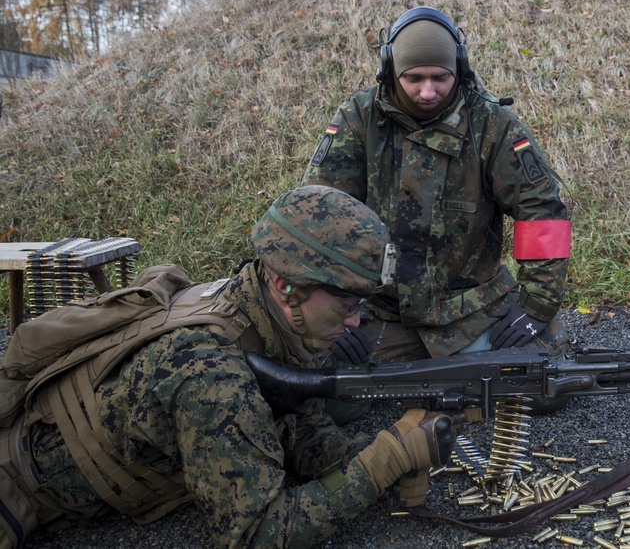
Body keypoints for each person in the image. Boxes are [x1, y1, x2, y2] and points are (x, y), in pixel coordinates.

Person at [0, 186, 461, 548]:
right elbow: (257, 534)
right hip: (18, 488)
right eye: (346, 301)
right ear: (287, 285)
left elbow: (299, 427)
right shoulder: (212, 375)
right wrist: (382, 464)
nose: (357, 319)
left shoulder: (267, 310)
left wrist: (380, 452)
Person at [302, 6, 572, 380]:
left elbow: (542, 211)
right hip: (379, 309)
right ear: (390, 69)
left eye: (440, 78)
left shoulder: (492, 123)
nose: (427, 92)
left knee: (548, 370)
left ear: (458, 69)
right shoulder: (358, 118)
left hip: (471, 308)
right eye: (413, 78)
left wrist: (537, 305)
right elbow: (316, 217)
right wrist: (330, 313)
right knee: (318, 386)